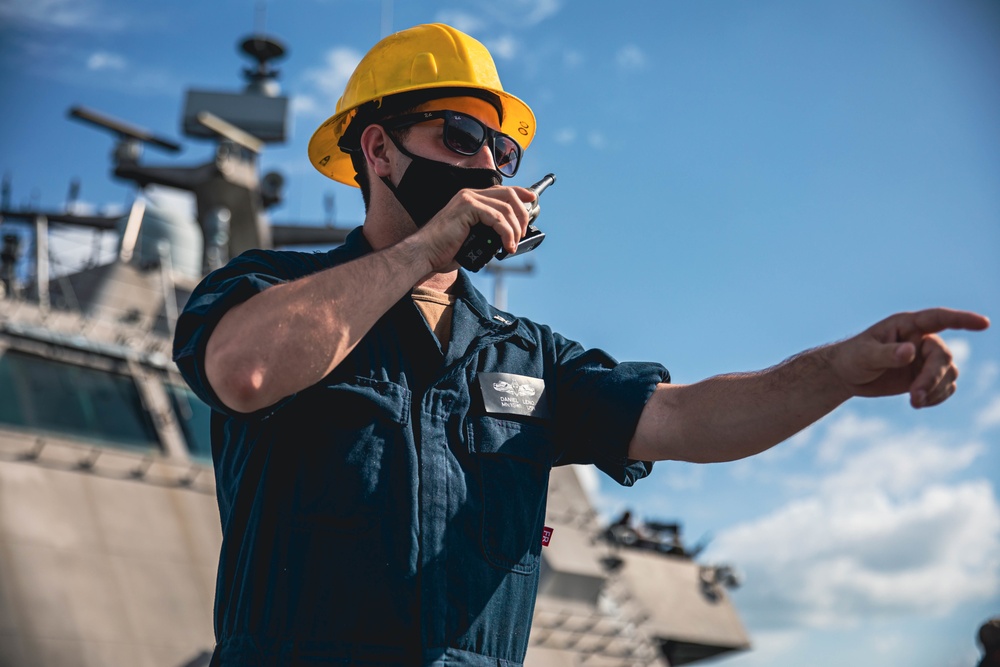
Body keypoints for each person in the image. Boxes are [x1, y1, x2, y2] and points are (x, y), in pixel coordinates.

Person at [172, 23, 990, 667]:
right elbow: (243, 372)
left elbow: (687, 420)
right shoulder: (261, 291)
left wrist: (839, 370)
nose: (487, 163)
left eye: (501, 149)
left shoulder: (526, 356)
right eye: (459, 136)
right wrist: (422, 251)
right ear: (378, 150)